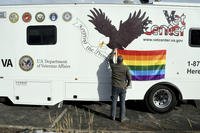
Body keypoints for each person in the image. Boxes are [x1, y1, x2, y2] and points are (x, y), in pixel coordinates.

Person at [108, 49, 131, 122]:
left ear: (117, 60)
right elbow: (129, 78)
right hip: (122, 87)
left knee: (114, 102)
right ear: (122, 61)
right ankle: (122, 118)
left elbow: (110, 59)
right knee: (122, 103)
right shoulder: (125, 68)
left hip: (115, 87)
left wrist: (113, 52)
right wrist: (127, 85)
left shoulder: (113, 66)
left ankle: (113, 117)